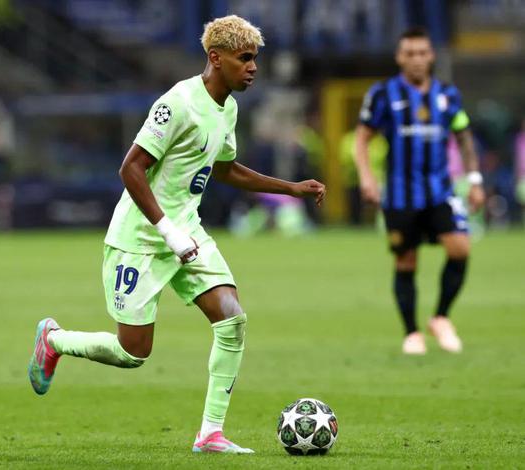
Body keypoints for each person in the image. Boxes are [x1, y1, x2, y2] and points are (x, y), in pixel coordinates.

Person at [28, 15, 326, 454]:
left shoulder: (228, 108)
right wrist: (168, 232)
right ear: (216, 58)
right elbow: (130, 168)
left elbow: (224, 168)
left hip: (188, 232)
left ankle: (210, 434)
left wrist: (290, 188)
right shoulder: (178, 103)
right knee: (133, 353)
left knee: (232, 320)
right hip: (140, 239)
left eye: (254, 59)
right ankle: (53, 340)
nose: (253, 68)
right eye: (244, 58)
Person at [355, 27, 485, 355]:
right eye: (410, 53)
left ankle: (440, 317)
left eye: (422, 53)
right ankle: (412, 333)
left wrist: (474, 180)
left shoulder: (448, 95)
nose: (416, 59)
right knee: (406, 261)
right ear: (399, 57)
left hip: (440, 191)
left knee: (460, 249)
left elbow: (464, 137)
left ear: (432, 56)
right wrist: (367, 177)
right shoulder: (383, 94)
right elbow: (362, 138)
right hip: (400, 195)